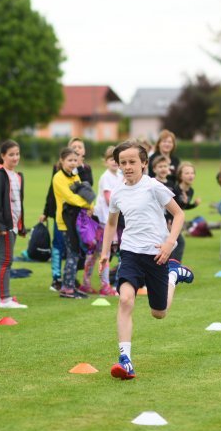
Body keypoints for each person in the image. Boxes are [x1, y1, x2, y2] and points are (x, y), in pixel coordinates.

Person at [99, 140, 194, 380]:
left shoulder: (154, 187)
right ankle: (125, 359)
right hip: (130, 253)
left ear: (144, 163)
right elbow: (111, 223)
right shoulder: (118, 192)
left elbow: (179, 214)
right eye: (123, 163)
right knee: (125, 300)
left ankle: (174, 275)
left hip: (157, 254)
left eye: (132, 162)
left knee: (158, 313)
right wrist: (105, 252)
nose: (128, 166)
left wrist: (169, 243)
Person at [0, 140, 28, 309]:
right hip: (3, 226)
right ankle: (5, 299)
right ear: (3, 156)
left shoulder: (17, 176)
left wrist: (21, 225)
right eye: (11, 154)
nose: (15, 157)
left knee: (1, 261)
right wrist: (0, 226)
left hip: (13, 226)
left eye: (17, 154)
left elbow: (18, 204)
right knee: (6, 261)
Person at [52, 148, 94, 298]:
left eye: (75, 160)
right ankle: (67, 288)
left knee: (75, 253)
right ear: (62, 161)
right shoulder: (58, 178)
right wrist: (87, 204)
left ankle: (68, 286)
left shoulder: (75, 176)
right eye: (69, 160)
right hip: (65, 221)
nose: (72, 163)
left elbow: (82, 191)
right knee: (72, 253)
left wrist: (89, 203)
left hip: (76, 219)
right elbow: (70, 197)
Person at [87, 146, 121, 296]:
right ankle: (104, 285)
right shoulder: (106, 177)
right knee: (102, 253)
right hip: (104, 221)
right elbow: (109, 199)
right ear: (105, 161)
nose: (114, 162)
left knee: (101, 253)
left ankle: (92, 283)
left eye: (116, 159)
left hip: (114, 219)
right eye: (111, 159)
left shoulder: (119, 174)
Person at [170, 161, 200, 262]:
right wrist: (169, 222)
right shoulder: (174, 190)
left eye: (192, 173)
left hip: (176, 221)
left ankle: (173, 267)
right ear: (180, 176)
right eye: (187, 173)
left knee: (176, 244)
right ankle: (174, 268)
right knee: (178, 243)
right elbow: (170, 207)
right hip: (169, 222)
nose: (190, 175)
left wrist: (193, 205)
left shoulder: (190, 190)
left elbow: (182, 207)